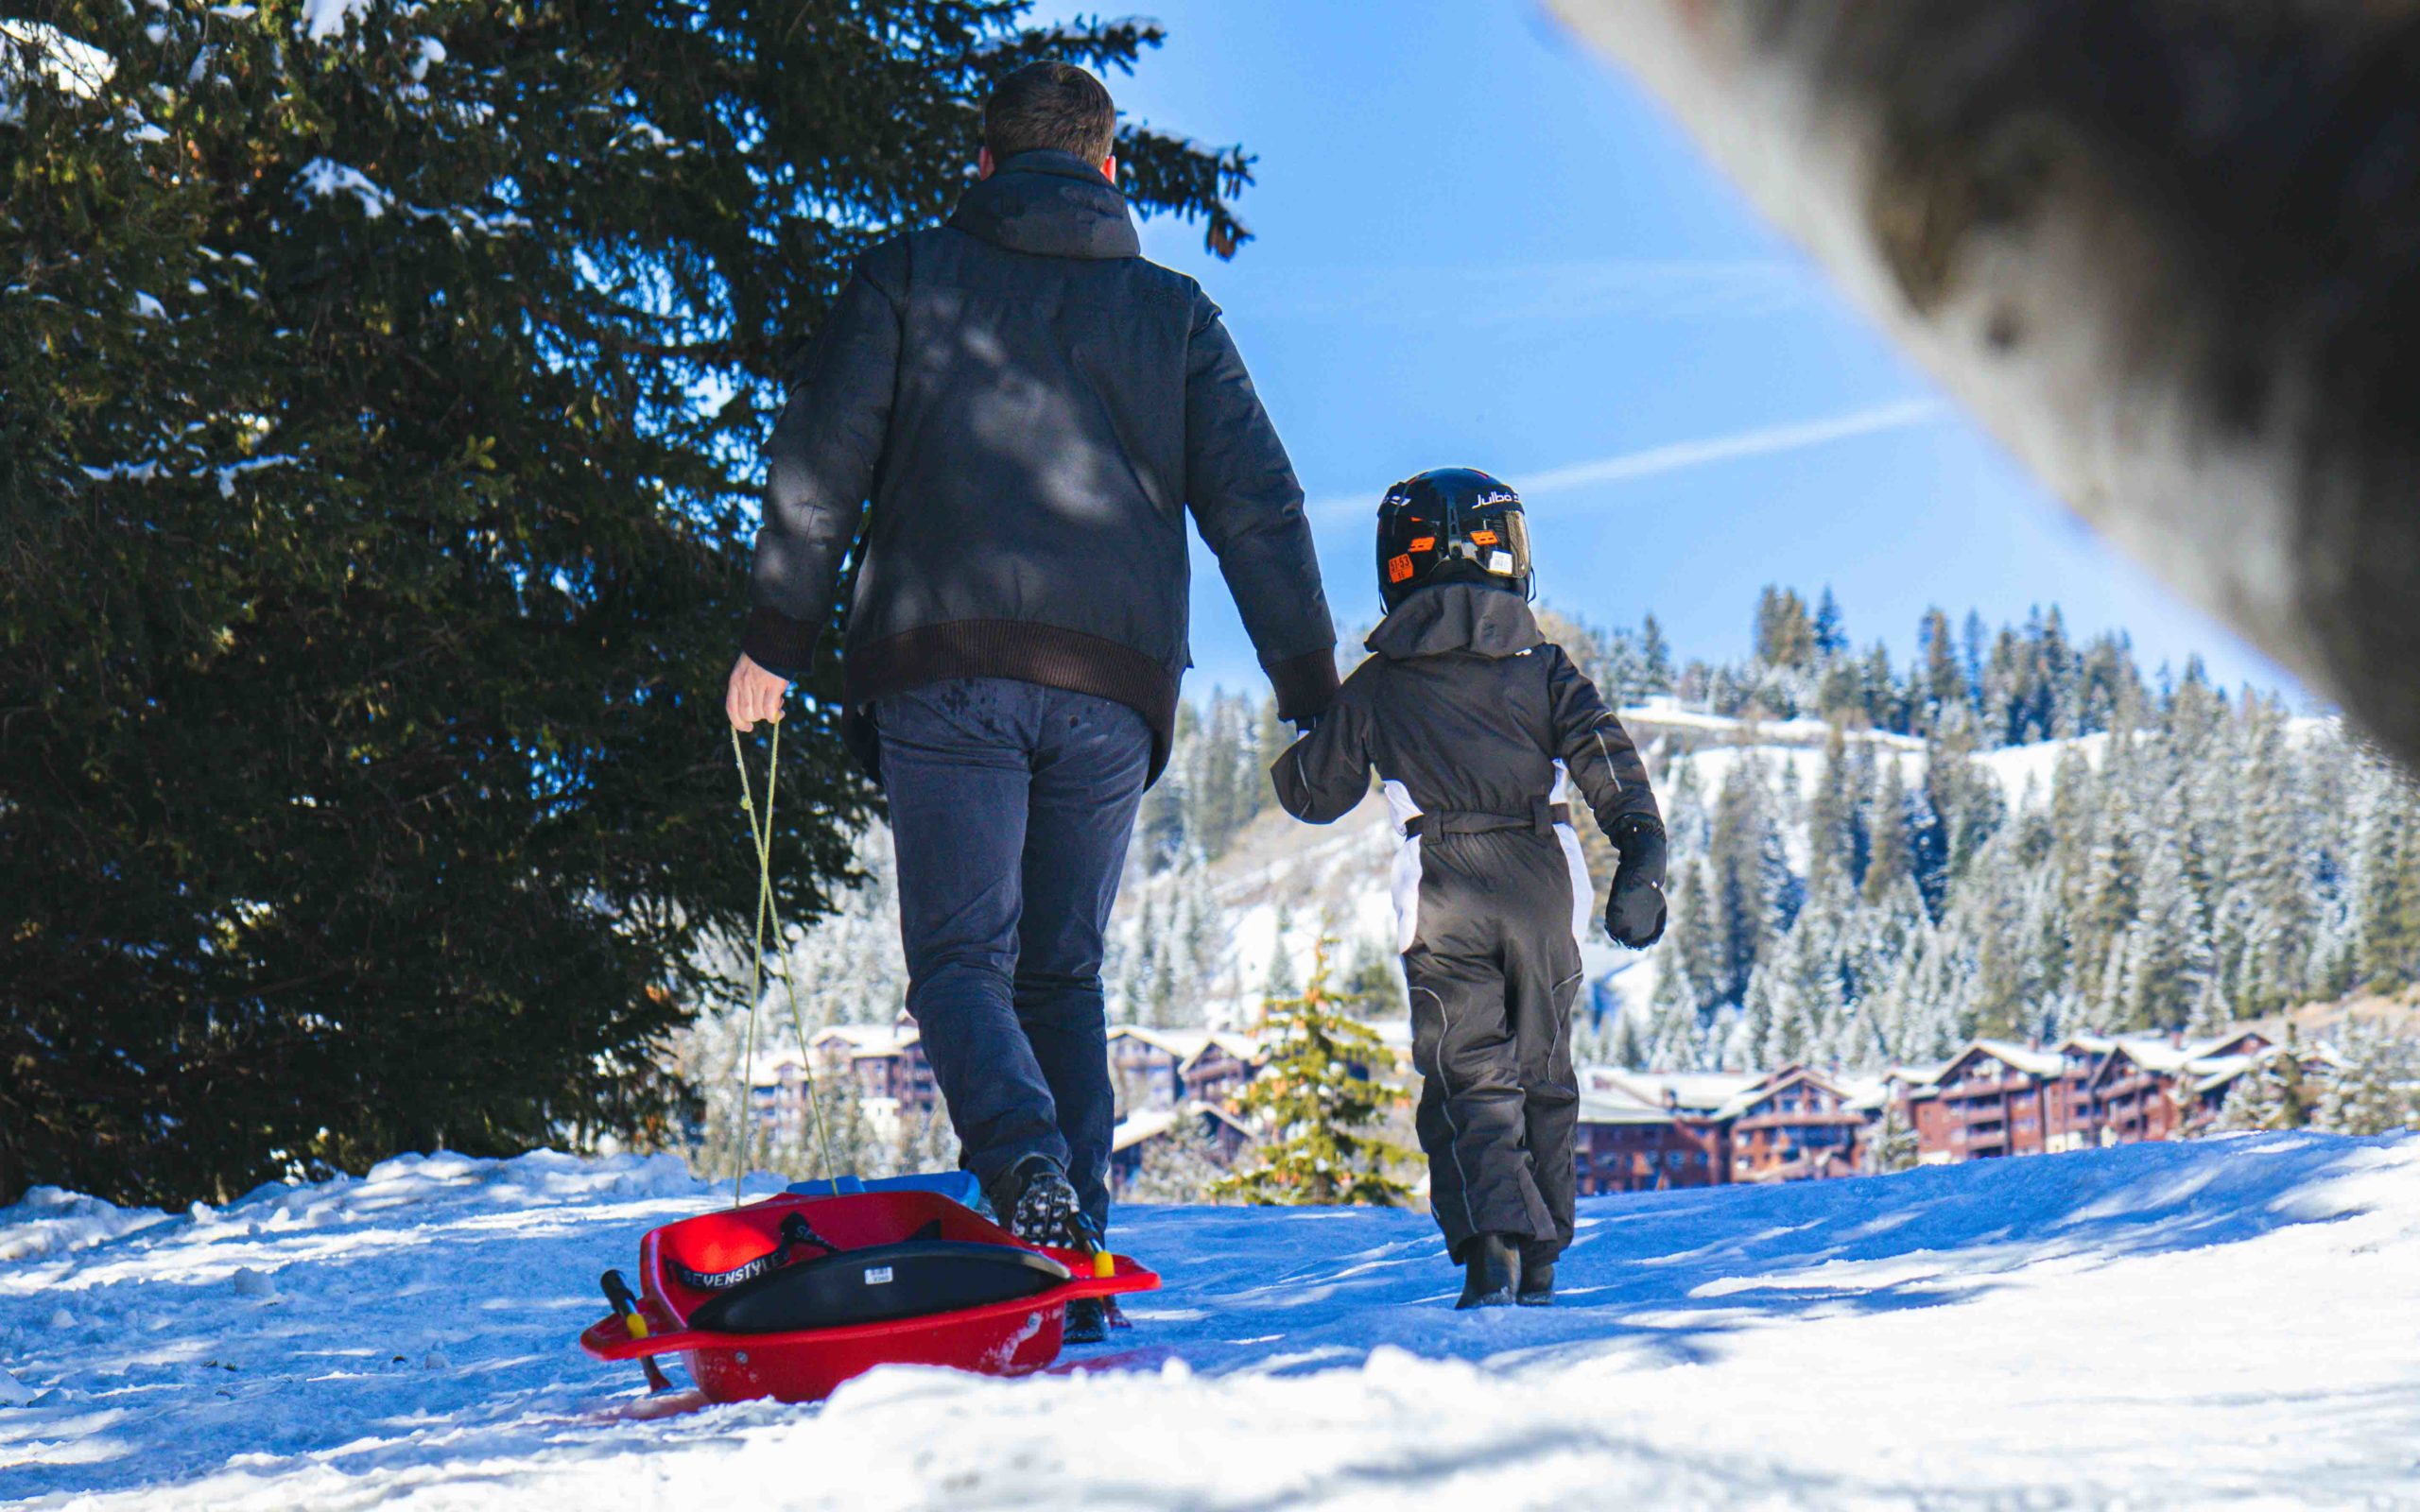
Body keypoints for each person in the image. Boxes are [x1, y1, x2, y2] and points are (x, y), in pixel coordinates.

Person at [726, 62, 1337, 1339]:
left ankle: (1025, 1175)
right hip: (1113, 689)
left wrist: (774, 640)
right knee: (1060, 972)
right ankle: (1079, 1273)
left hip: (946, 667)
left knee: (961, 962)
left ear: (986, 166)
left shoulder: (906, 277)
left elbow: (820, 466)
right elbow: (1260, 512)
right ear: (1111, 172)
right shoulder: (1176, 319)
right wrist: (1307, 688)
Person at [1270, 468, 1666, 1309]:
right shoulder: (1545, 669)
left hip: (1441, 880)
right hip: (1542, 874)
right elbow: (1609, 764)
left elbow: (1316, 794)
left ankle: (1492, 1246)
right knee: (1544, 1067)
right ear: (1511, 558)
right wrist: (1642, 857)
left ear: (1398, 566)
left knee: (1464, 1069)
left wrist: (1310, 719)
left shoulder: (1377, 685)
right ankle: (1545, 1252)